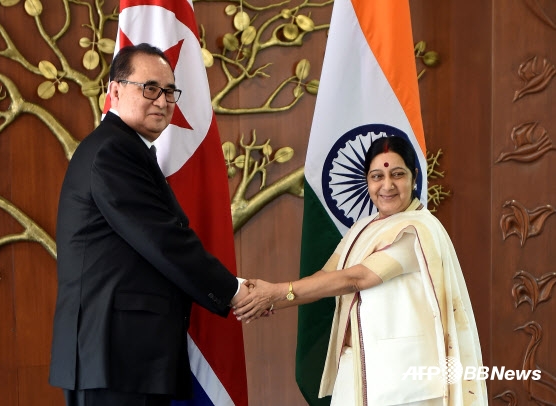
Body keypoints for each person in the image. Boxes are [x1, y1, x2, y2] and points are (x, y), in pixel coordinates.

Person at [49, 43, 248, 406]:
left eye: (169, 91)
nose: (162, 100)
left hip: (124, 358)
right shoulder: (113, 150)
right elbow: (162, 239)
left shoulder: (123, 147)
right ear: (115, 91)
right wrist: (234, 291)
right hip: (113, 357)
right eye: (150, 88)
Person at [234, 136, 488, 405]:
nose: (387, 185)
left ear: (414, 177)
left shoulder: (418, 229)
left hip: (402, 383)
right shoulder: (363, 228)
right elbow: (324, 278)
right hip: (356, 368)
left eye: (397, 174)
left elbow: (357, 278)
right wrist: (266, 299)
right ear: (367, 181)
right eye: (377, 176)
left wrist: (275, 293)